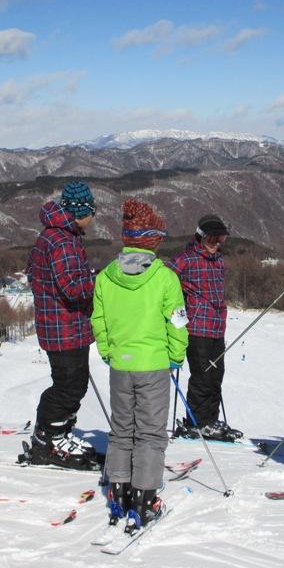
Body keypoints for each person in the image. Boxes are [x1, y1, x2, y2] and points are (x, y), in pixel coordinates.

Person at [91, 199, 188, 532]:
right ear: (153, 240)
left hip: (121, 364)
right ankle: (145, 499)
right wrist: (176, 355)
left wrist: (108, 351)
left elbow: (99, 320)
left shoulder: (106, 278)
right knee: (150, 433)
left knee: (122, 429)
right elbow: (177, 322)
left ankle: (118, 490)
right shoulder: (165, 278)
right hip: (154, 364)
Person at [26, 181, 98, 469]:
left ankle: (58, 434)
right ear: (84, 211)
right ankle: (49, 439)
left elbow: (33, 273)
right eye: (92, 211)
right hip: (65, 328)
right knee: (69, 386)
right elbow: (72, 288)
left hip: (57, 324)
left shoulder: (52, 235)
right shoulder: (64, 241)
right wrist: (99, 281)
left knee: (71, 384)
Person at [167, 215, 242, 441]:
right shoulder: (186, 259)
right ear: (200, 237)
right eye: (212, 239)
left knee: (216, 376)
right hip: (197, 328)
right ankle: (197, 422)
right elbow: (165, 278)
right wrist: (177, 308)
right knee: (203, 377)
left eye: (221, 239)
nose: (217, 244)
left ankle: (211, 420)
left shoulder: (219, 261)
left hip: (217, 328)